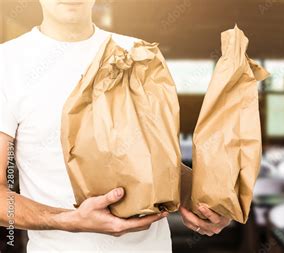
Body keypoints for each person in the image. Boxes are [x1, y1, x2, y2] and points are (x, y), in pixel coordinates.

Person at [0, 0, 230, 252]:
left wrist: (201, 199)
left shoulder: (138, 52)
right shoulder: (8, 63)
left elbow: (160, 159)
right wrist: (68, 220)